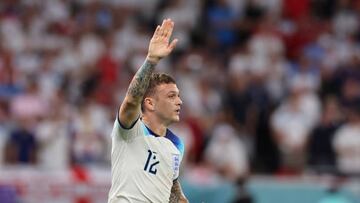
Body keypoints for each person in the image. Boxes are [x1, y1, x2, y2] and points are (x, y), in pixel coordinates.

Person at [107, 19, 188, 203]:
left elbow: (171, 189)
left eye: (178, 96)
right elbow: (131, 101)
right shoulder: (129, 131)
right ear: (150, 103)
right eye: (171, 96)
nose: (180, 101)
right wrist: (151, 61)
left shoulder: (176, 145)